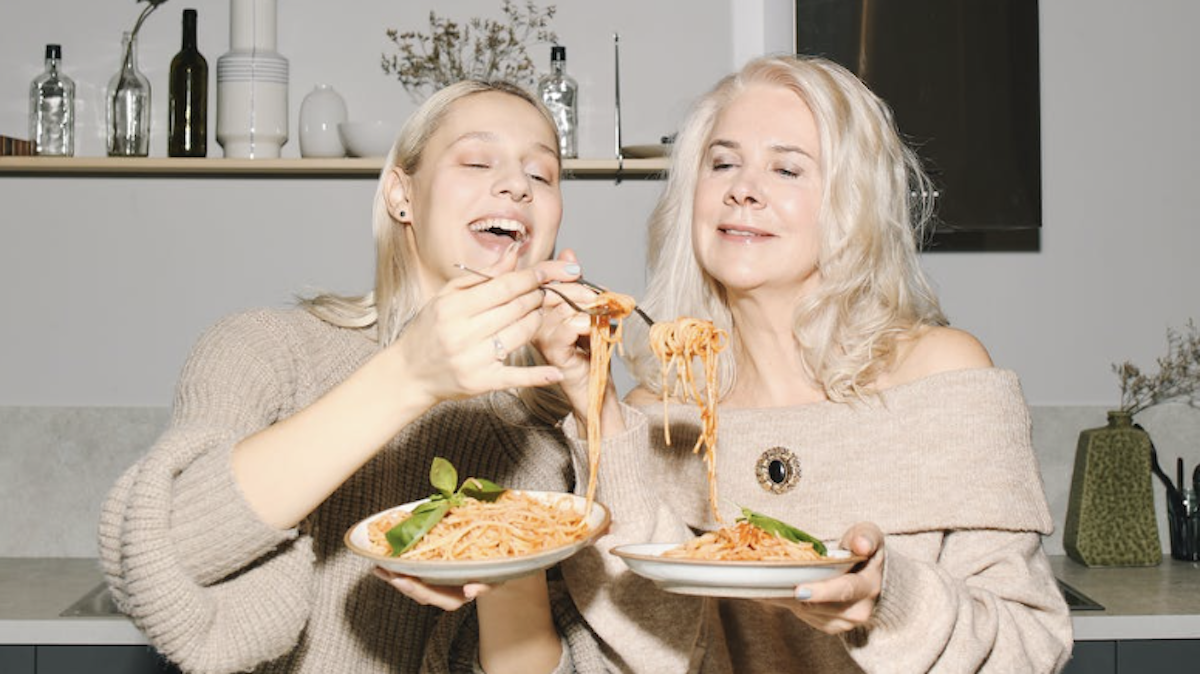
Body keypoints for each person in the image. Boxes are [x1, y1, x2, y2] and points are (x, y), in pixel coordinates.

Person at [535, 55, 1073, 672]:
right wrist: (595, 405)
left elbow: (1032, 649)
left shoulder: (943, 374)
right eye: (723, 162)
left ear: (852, 202)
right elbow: (638, 652)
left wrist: (886, 600)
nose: (743, 188)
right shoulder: (652, 416)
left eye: (787, 168)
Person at [98, 80, 607, 674]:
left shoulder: (549, 440)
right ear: (401, 196)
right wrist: (408, 376)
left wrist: (504, 555)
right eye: (476, 160)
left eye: (542, 176)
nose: (518, 185)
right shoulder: (266, 350)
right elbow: (161, 555)